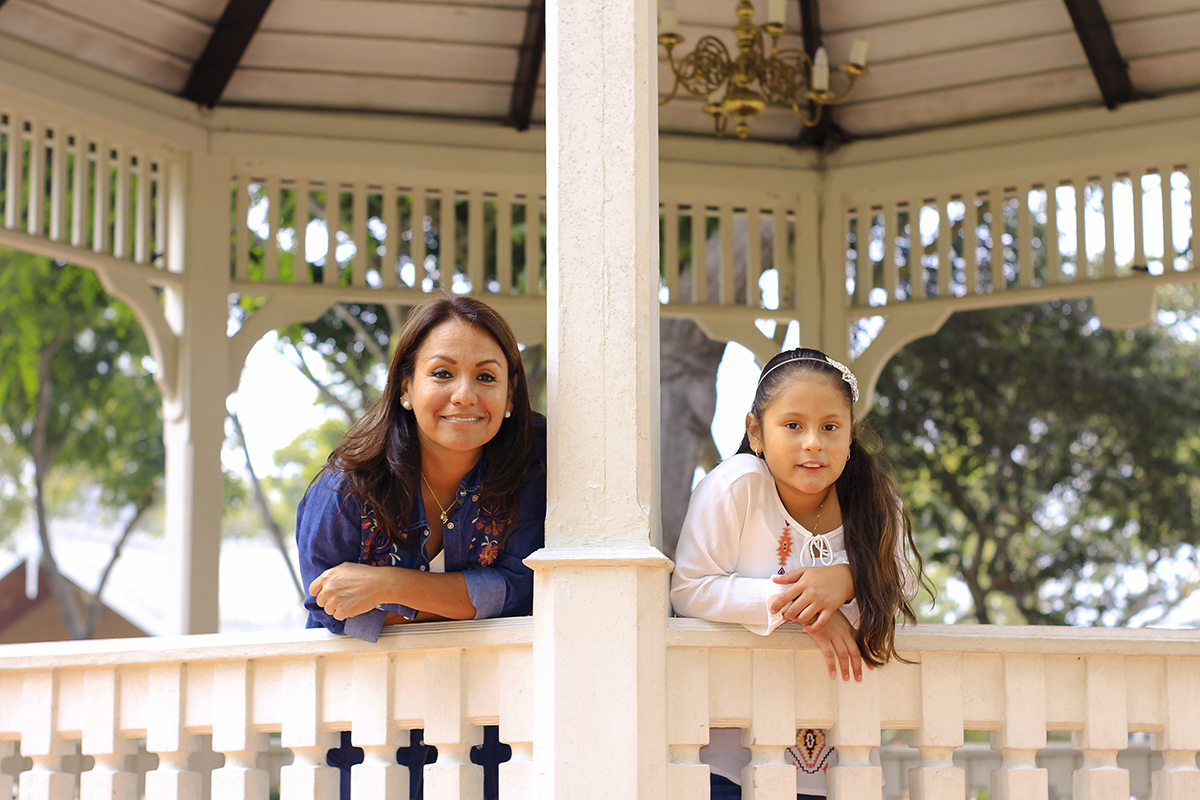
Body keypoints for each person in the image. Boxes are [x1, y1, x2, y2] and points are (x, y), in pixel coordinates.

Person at [295, 295, 546, 799]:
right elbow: (335, 607)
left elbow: (524, 588)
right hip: (368, 726)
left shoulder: (537, 465)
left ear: (511, 394)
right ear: (406, 387)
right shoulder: (346, 488)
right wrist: (468, 601)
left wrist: (388, 586)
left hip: (499, 724)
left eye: (487, 377)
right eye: (442, 373)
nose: (464, 395)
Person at [670, 347, 925, 800]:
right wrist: (802, 606)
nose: (813, 442)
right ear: (756, 431)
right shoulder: (737, 486)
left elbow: (901, 581)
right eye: (793, 425)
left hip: (844, 752)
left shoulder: (876, 497)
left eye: (830, 427)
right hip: (729, 757)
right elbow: (690, 589)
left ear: (851, 436)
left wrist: (846, 579)